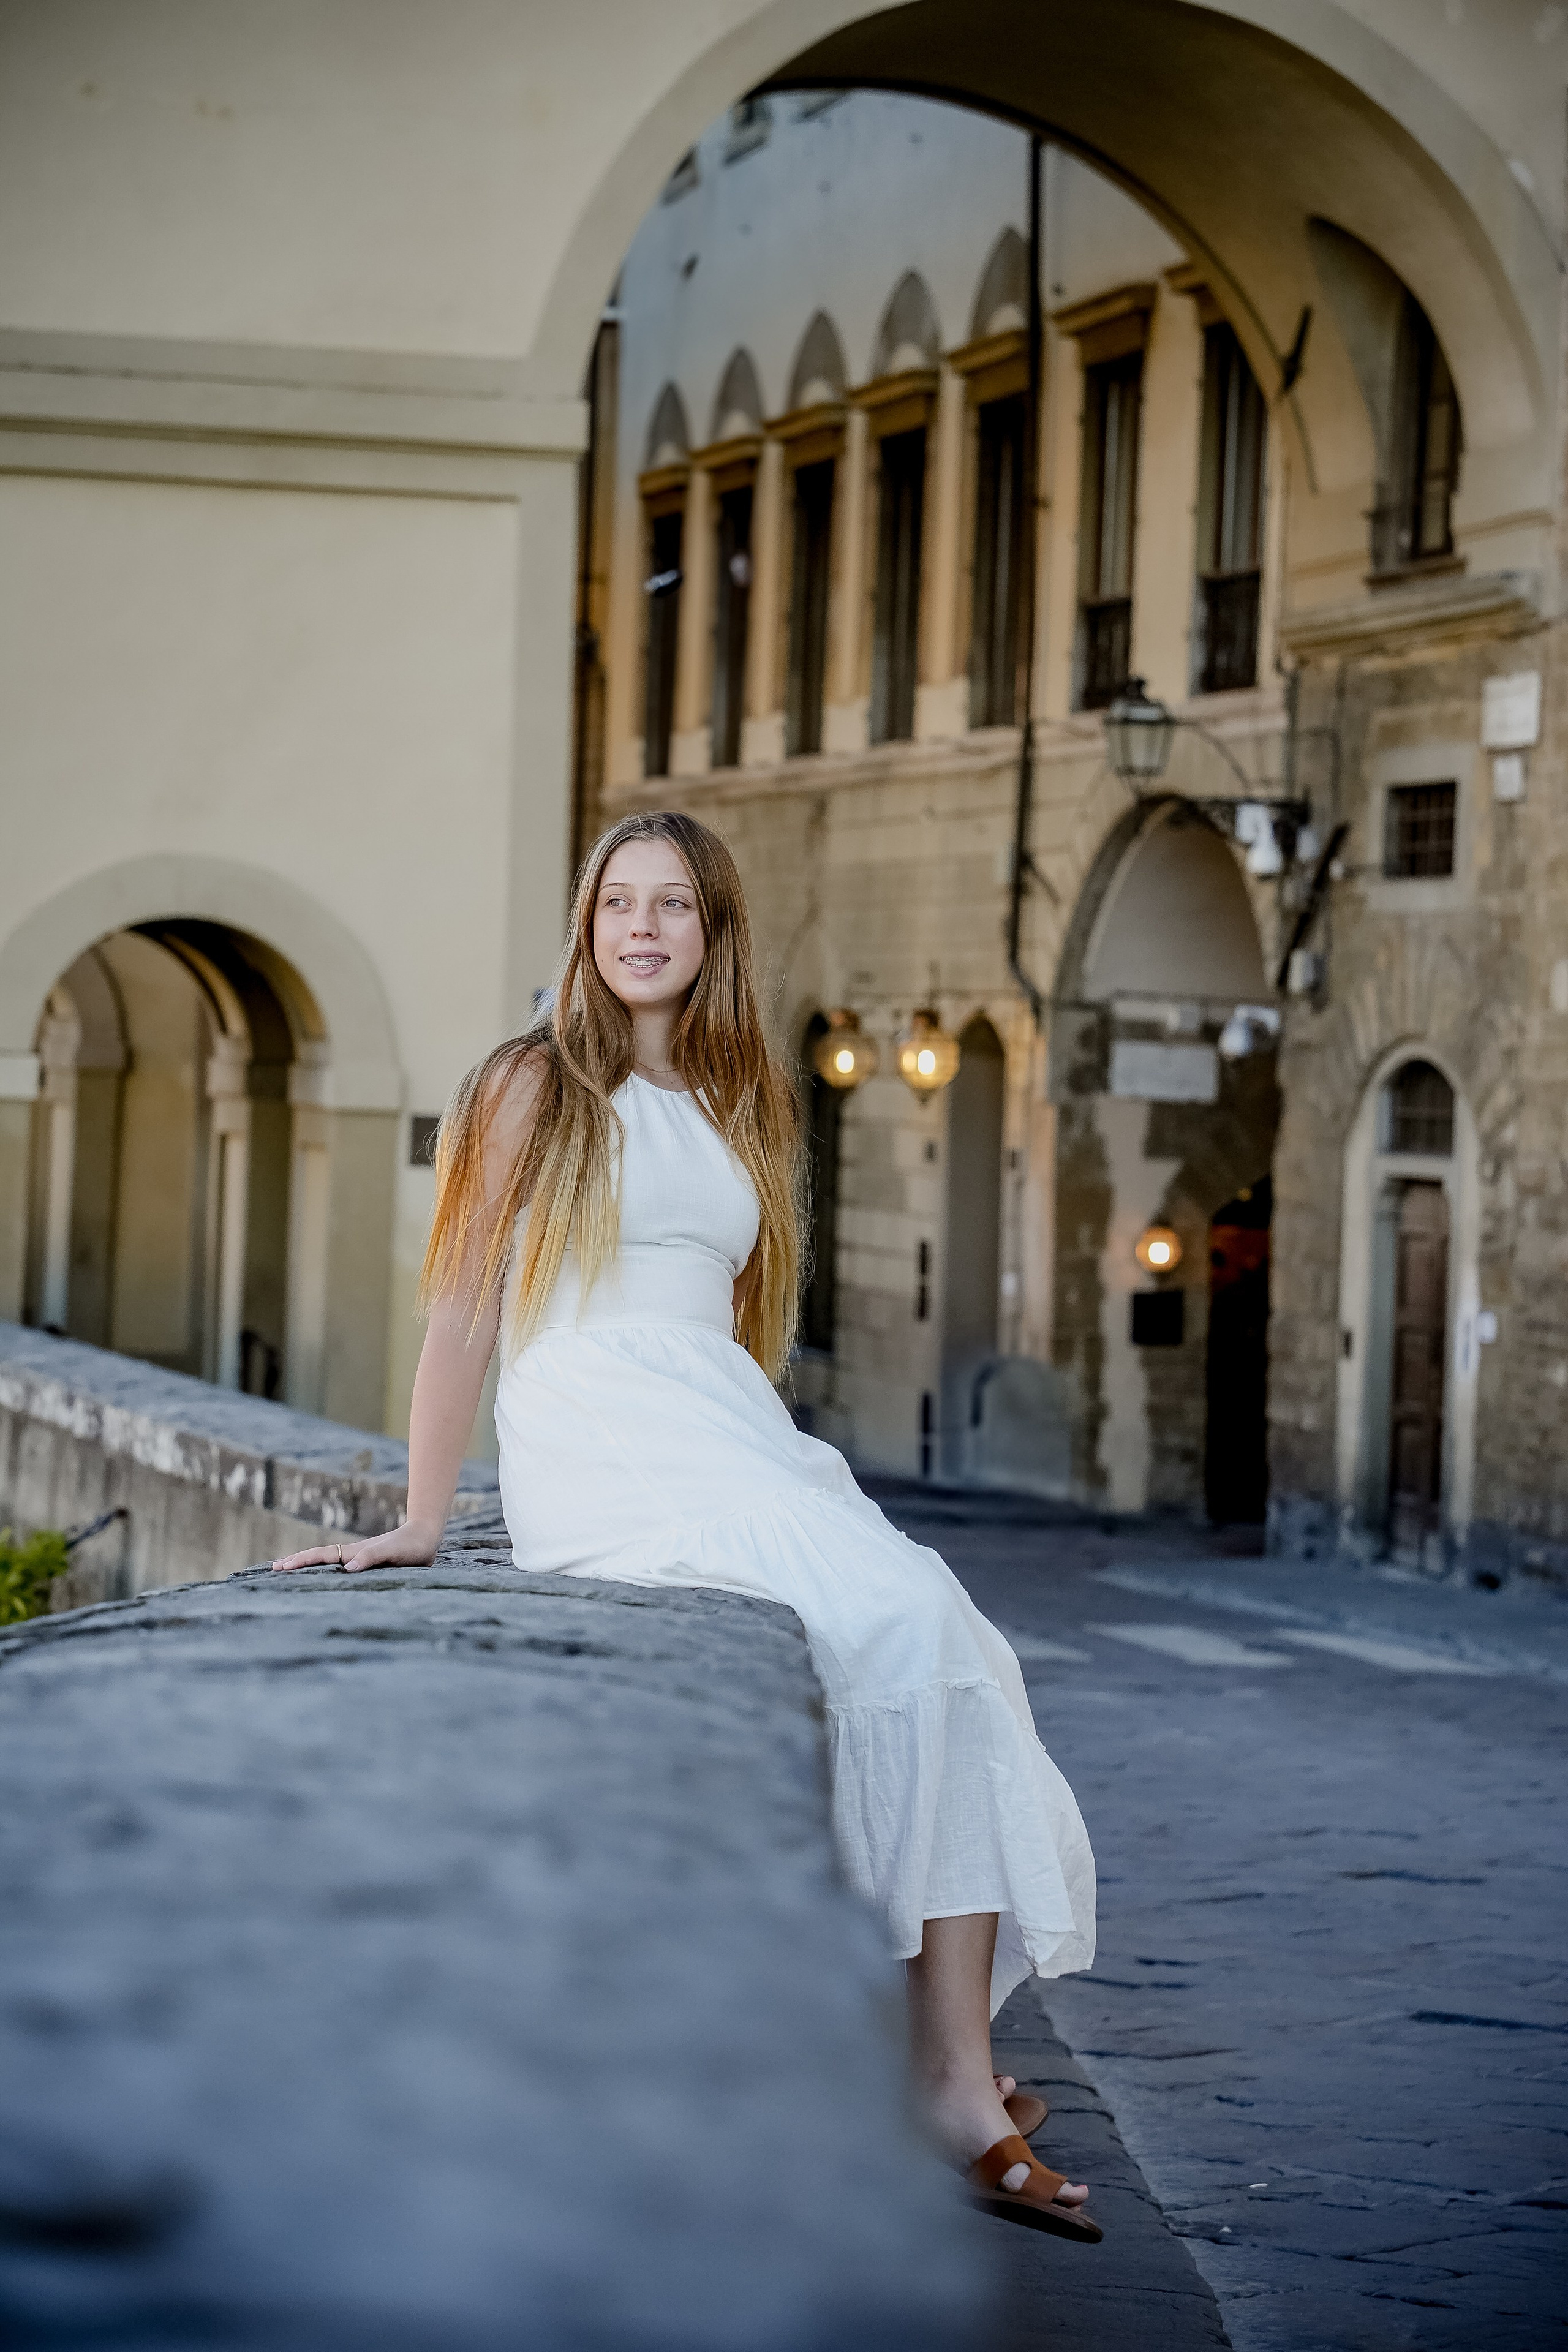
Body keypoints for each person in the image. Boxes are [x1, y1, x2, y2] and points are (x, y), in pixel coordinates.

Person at [274, 810, 1100, 2241]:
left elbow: (728, 1324)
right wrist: (420, 1519)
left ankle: (938, 2064)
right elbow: (464, 1311)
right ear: (584, 928)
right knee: (897, 1621)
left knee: (949, 1633)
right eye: (616, 903)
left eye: (672, 906)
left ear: (712, 933)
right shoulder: (529, 1085)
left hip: (718, 1420)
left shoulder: (739, 1100)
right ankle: (942, 2088)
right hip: (597, 1425)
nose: (641, 928)